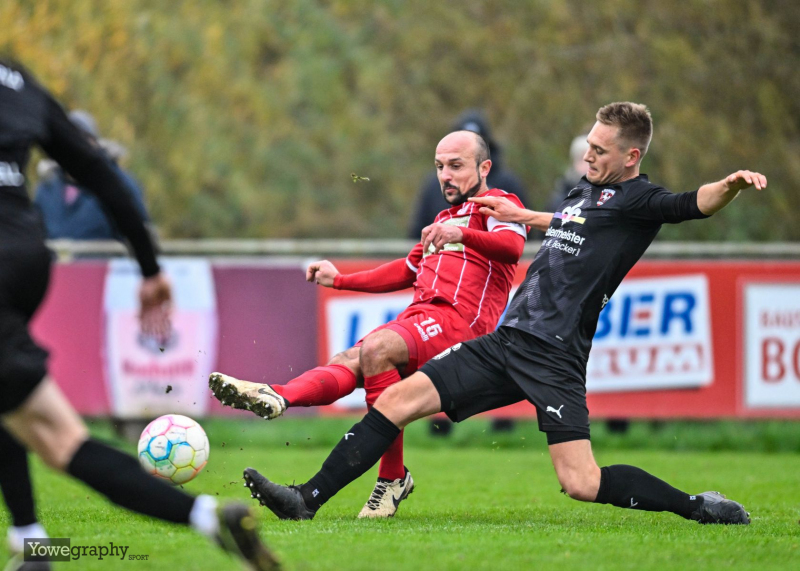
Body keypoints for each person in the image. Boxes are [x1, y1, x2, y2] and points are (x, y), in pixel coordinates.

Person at [239, 102, 763, 526]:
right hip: (508, 339)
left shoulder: (641, 200)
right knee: (396, 399)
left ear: (631, 156)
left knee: (581, 483)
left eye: (600, 150)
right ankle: (305, 499)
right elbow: (574, 220)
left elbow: (692, 203)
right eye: (589, 145)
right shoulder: (587, 191)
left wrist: (731, 185)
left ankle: (697, 506)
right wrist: (525, 215)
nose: (587, 156)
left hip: (555, 356)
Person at [0, 59, 279, 570]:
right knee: (32, 418)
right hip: (24, 256)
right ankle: (32, 543)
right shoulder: (16, 80)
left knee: (46, 428)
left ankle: (201, 518)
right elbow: (99, 171)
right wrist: (150, 269)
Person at [209, 129, 527, 518]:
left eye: (456, 166)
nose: (446, 175)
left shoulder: (499, 204)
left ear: (485, 167)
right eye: (440, 166)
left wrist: (460, 233)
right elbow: (406, 270)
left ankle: (389, 476)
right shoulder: (442, 219)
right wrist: (340, 280)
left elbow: (513, 248)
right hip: (423, 316)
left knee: (378, 349)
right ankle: (279, 396)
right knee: (351, 359)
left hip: (462, 325)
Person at [408, 110, 529, 239]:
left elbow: (519, 238)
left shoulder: (507, 184)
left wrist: (463, 235)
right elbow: (418, 231)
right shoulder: (434, 184)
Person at [34, 110, 150, 240]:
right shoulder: (47, 187)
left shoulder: (119, 183)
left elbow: (140, 233)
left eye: (82, 138)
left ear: (95, 143)